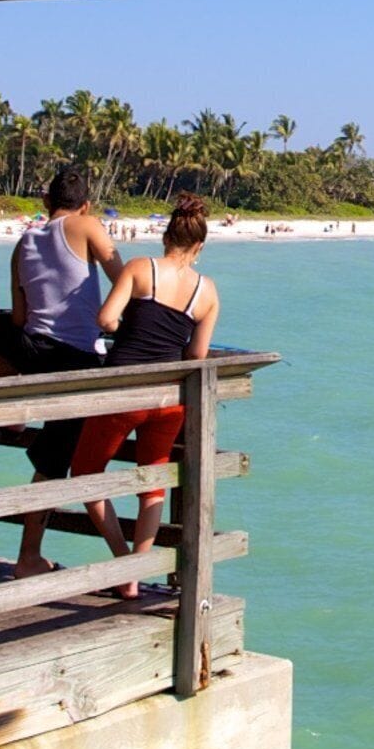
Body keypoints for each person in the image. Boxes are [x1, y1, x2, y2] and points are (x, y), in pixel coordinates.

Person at [73, 195, 221, 575]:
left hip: (124, 391)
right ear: (199, 246)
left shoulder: (141, 269)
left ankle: (123, 563)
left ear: (165, 237)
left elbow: (106, 319)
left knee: (86, 473)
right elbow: (198, 354)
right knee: (153, 480)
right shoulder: (207, 292)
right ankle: (138, 569)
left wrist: (129, 331)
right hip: (170, 397)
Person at [0, 166, 120, 576]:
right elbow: (125, 281)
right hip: (77, 360)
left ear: (45, 203)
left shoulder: (24, 241)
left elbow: (20, 316)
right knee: (53, 465)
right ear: (86, 204)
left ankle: (14, 407)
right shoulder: (88, 225)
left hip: (34, 354)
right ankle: (32, 557)